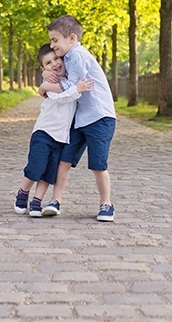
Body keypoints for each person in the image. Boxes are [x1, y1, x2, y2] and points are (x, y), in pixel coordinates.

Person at [38, 15, 117, 222]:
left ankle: (106, 203)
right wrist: (45, 77)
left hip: (99, 117)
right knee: (64, 159)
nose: (52, 46)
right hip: (81, 119)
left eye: (55, 40)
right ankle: (55, 200)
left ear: (71, 38)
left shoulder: (78, 55)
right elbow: (56, 71)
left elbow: (70, 86)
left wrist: (45, 87)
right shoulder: (68, 56)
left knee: (98, 164)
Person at [14, 43, 94, 217]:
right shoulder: (49, 83)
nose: (55, 64)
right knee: (37, 167)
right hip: (44, 133)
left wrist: (76, 87)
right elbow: (61, 98)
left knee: (49, 172)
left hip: (61, 138)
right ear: (44, 69)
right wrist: (77, 90)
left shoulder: (71, 79)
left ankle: (37, 201)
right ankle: (23, 192)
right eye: (49, 63)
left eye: (57, 59)